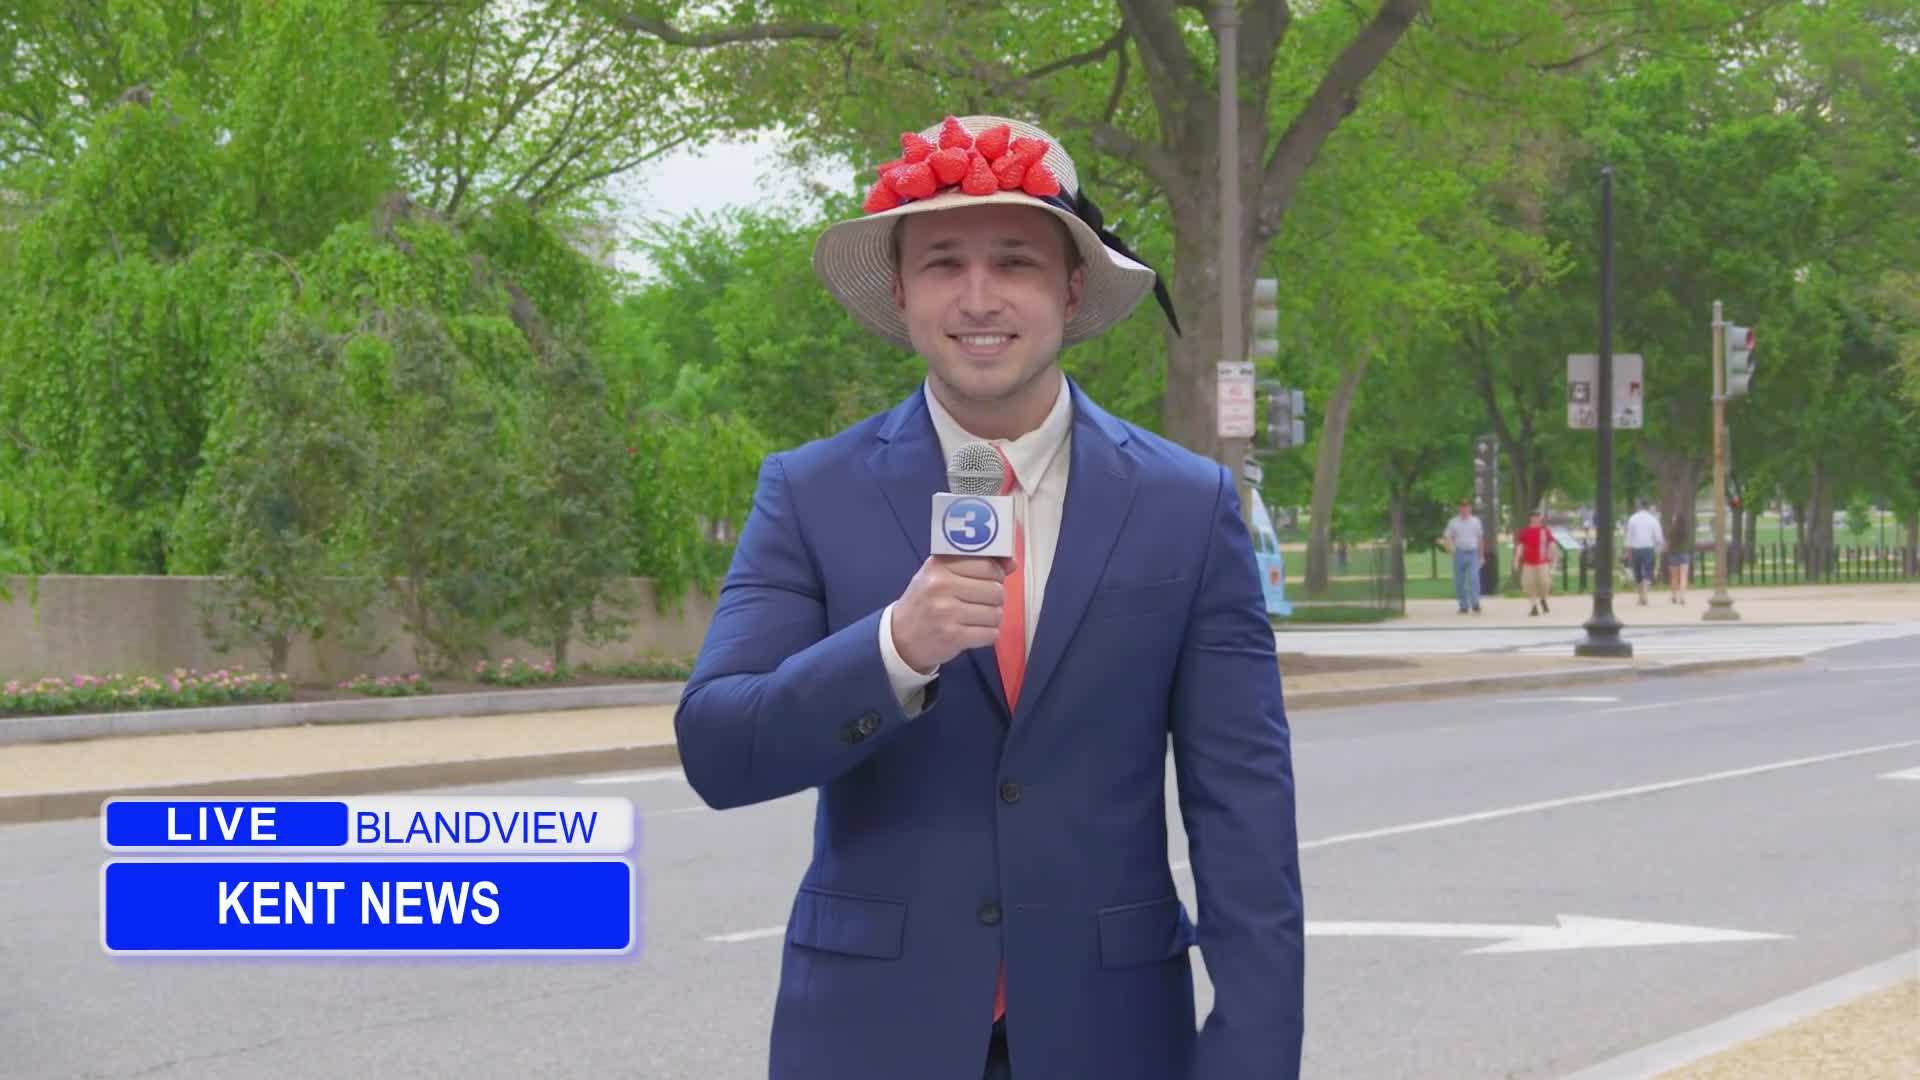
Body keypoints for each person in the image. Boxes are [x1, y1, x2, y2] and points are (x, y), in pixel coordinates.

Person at [674, 113, 1305, 1080]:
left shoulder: (1187, 505)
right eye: (942, 264)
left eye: (1014, 261)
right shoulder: (808, 491)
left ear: (1070, 286)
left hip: (1116, 1037)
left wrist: (1253, 1058)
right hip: (870, 1037)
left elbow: (1243, 809)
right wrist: (895, 649)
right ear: (900, 292)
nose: (979, 298)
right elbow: (719, 748)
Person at [1441, 499, 1486, 614]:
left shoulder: (1476, 521)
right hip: (1459, 553)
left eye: (1467, 507)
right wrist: (1450, 548)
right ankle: (1463, 605)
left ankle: (1475, 603)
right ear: (1459, 509)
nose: (1464, 509)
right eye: (1462, 507)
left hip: (1473, 553)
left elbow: (1480, 539)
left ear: (1470, 508)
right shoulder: (1453, 522)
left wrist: (1481, 556)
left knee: (1473, 578)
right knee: (1459, 581)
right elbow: (1447, 536)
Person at [1513, 509, 1559, 616]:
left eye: (1537, 517)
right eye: (1533, 516)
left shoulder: (1545, 531)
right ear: (1530, 518)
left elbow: (1552, 545)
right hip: (1528, 563)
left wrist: (1554, 561)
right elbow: (1520, 546)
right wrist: (1516, 559)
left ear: (1540, 519)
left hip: (1542, 562)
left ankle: (1543, 599)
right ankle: (1533, 606)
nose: (1535, 519)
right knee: (1529, 584)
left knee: (1545, 583)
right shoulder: (1525, 532)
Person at [1624, 500, 1664, 606]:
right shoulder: (1653, 520)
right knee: (1648, 572)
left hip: (1635, 549)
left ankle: (1640, 596)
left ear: (1639, 507)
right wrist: (1658, 548)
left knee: (1637, 573)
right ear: (1648, 507)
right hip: (1648, 548)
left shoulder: (1632, 519)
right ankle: (1645, 594)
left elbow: (1629, 536)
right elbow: (1658, 538)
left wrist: (1627, 551)